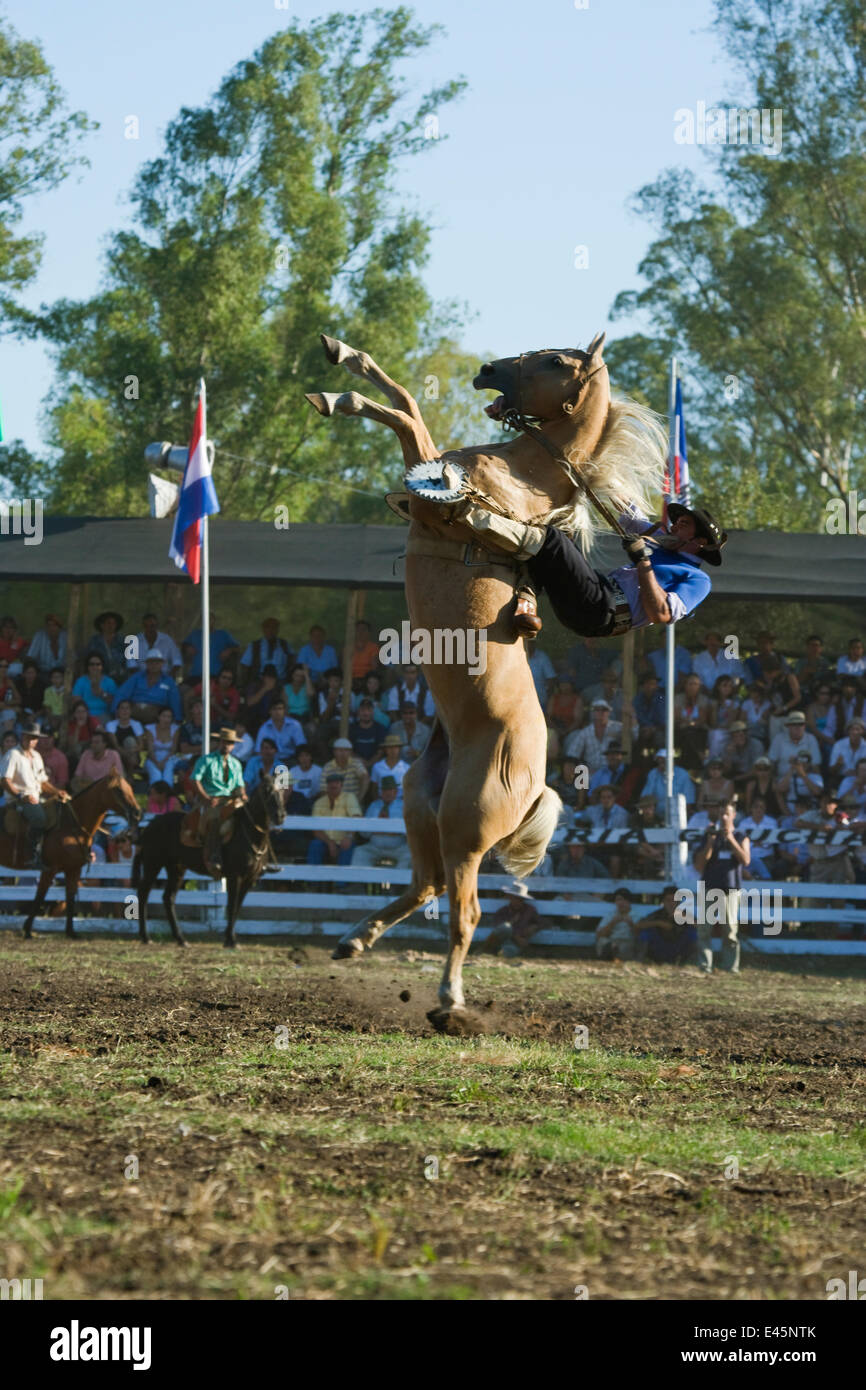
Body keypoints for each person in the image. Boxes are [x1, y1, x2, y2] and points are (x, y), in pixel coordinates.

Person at [428, 489, 725, 638]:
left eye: (682, 525)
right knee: (560, 526)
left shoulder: (698, 580)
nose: (673, 527)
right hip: (596, 599)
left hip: (604, 611)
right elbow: (627, 513)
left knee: (554, 540)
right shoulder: (661, 538)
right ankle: (527, 598)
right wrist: (589, 466)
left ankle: (470, 514)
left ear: (698, 542)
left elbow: (660, 614)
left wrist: (643, 562)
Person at [0, 722, 70, 866]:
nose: (32, 741)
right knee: (39, 818)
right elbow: (4, 780)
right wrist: (20, 796)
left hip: (37, 797)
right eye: (30, 737)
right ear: (23, 736)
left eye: (35, 738)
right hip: (18, 799)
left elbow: (43, 782)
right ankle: (32, 854)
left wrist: (57, 792)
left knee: (62, 810)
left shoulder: (37, 756)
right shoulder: (13, 754)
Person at [693, 799, 750, 974]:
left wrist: (730, 839)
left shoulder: (741, 836)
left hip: (731, 888)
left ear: (733, 815)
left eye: (727, 813)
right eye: (721, 814)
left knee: (730, 931)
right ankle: (705, 966)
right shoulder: (709, 835)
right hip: (710, 885)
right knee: (704, 930)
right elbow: (699, 865)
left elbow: (746, 860)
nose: (724, 817)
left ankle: (731, 967)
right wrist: (710, 842)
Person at [190, 728, 248, 875]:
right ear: (219, 742)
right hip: (212, 799)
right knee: (215, 818)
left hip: (231, 800)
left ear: (233, 745)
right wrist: (206, 798)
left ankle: (255, 856)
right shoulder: (206, 760)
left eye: (230, 743)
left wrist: (243, 794)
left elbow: (239, 785)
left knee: (251, 817)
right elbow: (195, 780)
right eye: (224, 742)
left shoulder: (236, 764)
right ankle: (214, 856)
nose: (227, 745)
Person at [352, 775, 411, 870]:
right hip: (375, 847)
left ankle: (398, 884)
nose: (387, 793)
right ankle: (364, 882)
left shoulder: (404, 807)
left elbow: (408, 832)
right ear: (381, 792)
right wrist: (377, 824)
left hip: (398, 847)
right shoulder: (374, 806)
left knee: (409, 855)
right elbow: (364, 834)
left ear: (396, 792)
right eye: (385, 790)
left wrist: (388, 828)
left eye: (390, 790)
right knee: (359, 852)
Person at [113, 649, 182, 723]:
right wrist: (115, 710)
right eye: (151, 662)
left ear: (162, 664)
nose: (154, 665)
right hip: (134, 714)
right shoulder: (136, 677)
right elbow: (122, 693)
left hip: (157, 717)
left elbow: (174, 700)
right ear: (146, 663)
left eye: (157, 662)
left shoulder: (168, 681)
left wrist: (177, 718)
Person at [308, 770, 361, 866]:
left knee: (347, 847)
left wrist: (349, 837)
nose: (334, 785)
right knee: (315, 845)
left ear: (341, 785)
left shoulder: (349, 797)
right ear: (327, 786)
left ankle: (341, 881)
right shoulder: (319, 802)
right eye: (331, 783)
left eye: (337, 783)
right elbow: (316, 830)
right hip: (325, 841)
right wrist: (329, 843)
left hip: (344, 839)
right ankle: (313, 880)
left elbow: (356, 817)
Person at [636, 885, 697, 965]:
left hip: (679, 949)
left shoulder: (684, 914)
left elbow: (700, 927)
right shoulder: (658, 914)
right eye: (668, 900)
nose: (671, 903)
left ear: (678, 902)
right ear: (663, 902)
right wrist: (659, 923)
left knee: (693, 934)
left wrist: (684, 917)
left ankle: (693, 963)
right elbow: (639, 925)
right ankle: (640, 962)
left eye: (673, 900)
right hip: (660, 949)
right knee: (645, 934)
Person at [480, 880, 542, 957]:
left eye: (520, 899)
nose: (517, 901)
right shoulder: (503, 911)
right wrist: (516, 936)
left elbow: (540, 923)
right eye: (515, 898)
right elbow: (499, 928)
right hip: (502, 940)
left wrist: (533, 927)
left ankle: (498, 953)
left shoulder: (530, 910)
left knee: (508, 952)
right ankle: (484, 949)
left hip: (515, 943)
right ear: (510, 897)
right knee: (506, 927)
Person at [239, 617, 294, 686]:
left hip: (281, 682)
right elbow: (245, 666)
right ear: (263, 629)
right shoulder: (254, 646)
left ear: (277, 630)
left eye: (274, 628)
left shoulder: (285, 645)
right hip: (259, 682)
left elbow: (293, 663)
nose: (271, 631)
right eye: (268, 627)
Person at [84, 610, 127, 684]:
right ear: (102, 625)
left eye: (113, 623)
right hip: (100, 676)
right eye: (108, 623)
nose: (111, 626)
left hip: (120, 676)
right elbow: (89, 658)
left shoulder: (122, 640)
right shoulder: (95, 640)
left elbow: (128, 661)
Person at [595, 887, 637, 960]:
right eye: (618, 900)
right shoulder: (610, 915)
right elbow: (599, 935)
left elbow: (640, 936)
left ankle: (613, 956)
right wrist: (612, 923)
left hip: (627, 943)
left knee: (631, 946)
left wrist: (631, 924)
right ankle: (612, 953)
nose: (621, 903)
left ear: (629, 902)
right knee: (602, 941)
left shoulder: (636, 916)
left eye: (624, 900)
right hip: (612, 942)